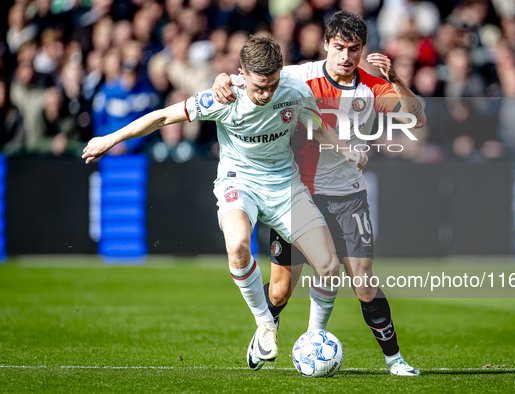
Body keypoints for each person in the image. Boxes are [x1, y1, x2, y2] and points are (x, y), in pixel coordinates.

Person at [82, 36, 366, 365]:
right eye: (260, 87)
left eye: (272, 85)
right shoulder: (223, 97)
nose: (267, 94)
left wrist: (348, 151)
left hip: (285, 184)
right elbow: (161, 117)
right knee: (238, 245)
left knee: (330, 267)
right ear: (242, 75)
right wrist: (110, 138)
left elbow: (318, 126)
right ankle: (264, 325)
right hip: (239, 182)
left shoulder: (293, 89)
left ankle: (313, 337)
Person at [212, 11, 425, 376]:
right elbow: (245, 78)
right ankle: (266, 329)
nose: (346, 56)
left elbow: (415, 118)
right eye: (339, 47)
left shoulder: (373, 87)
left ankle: (394, 359)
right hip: (299, 195)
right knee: (280, 291)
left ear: (362, 51)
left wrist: (396, 78)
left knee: (363, 282)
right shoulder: (299, 75)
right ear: (326, 44)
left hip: (348, 196)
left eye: (354, 49)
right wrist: (220, 78)